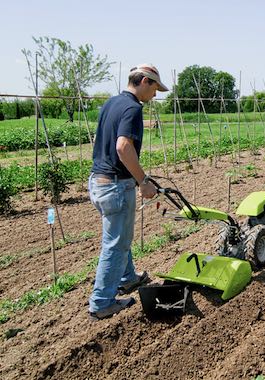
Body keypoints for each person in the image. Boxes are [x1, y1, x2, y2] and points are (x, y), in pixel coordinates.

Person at [88, 64, 169, 321]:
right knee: (115, 244)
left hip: (98, 181)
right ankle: (102, 302)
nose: (155, 95)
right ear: (145, 81)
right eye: (155, 88)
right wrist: (143, 180)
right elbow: (123, 147)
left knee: (120, 236)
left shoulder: (111, 103)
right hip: (116, 184)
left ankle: (127, 277)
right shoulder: (133, 108)